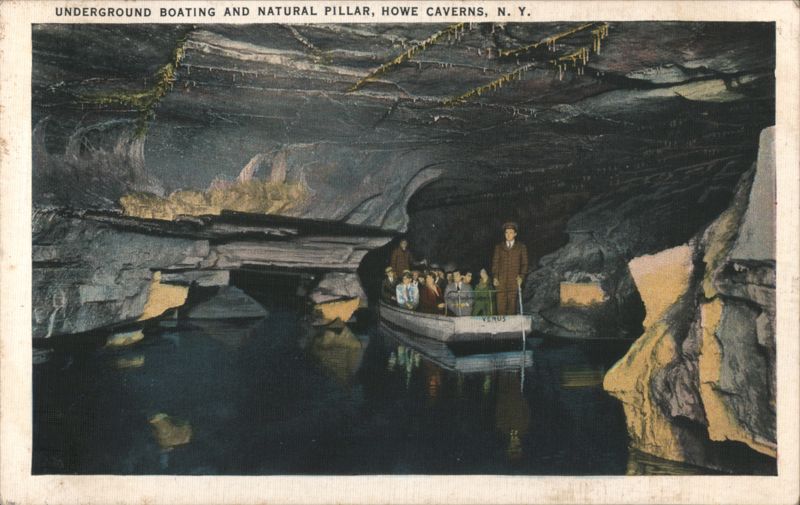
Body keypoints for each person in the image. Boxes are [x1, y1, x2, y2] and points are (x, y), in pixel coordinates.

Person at [492, 222, 529, 315]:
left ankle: (512, 324)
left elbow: (524, 264)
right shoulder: (499, 247)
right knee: (500, 305)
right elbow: (495, 263)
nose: (508, 235)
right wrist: (495, 277)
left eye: (511, 232)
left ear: (515, 234)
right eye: (506, 232)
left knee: (512, 306)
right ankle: (501, 323)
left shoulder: (521, 247)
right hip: (501, 281)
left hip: (514, 281)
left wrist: (521, 276)